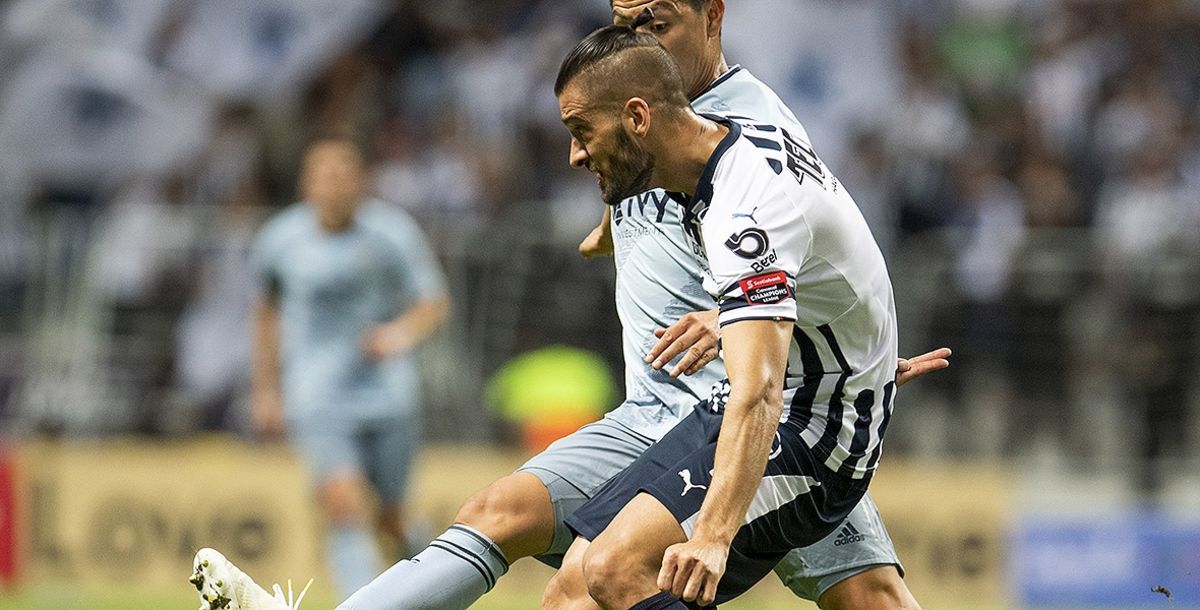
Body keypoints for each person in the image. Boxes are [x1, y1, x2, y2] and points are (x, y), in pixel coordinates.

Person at [189, 3, 947, 609]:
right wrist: (614, 229)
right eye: (625, 21)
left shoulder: (748, 135)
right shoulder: (647, 137)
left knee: (858, 593)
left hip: (762, 410)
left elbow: (796, 245)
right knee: (525, 538)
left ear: (713, 17)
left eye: (657, 21)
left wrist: (841, 357)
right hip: (672, 410)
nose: (636, 34)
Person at [542, 18, 900, 609]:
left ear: (637, 118)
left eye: (582, 130)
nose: (576, 154)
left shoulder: (744, 203)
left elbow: (758, 389)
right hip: (772, 397)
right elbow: (835, 266)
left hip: (815, 430)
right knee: (569, 595)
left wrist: (712, 535)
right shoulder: (712, 157)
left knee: (615, 569)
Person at [248, 135, 449, 599]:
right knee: (342, 504)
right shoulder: (280, 239)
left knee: (392, 519)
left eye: (343, 177)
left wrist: (398, 334)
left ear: (360, 183)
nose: (334, 187)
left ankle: (435, 588)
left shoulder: (392, 233)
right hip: (317, 394)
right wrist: (266, 391)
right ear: (306, 185)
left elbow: (433, 303)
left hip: (388, 393)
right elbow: (264, 315)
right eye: (324, 177)